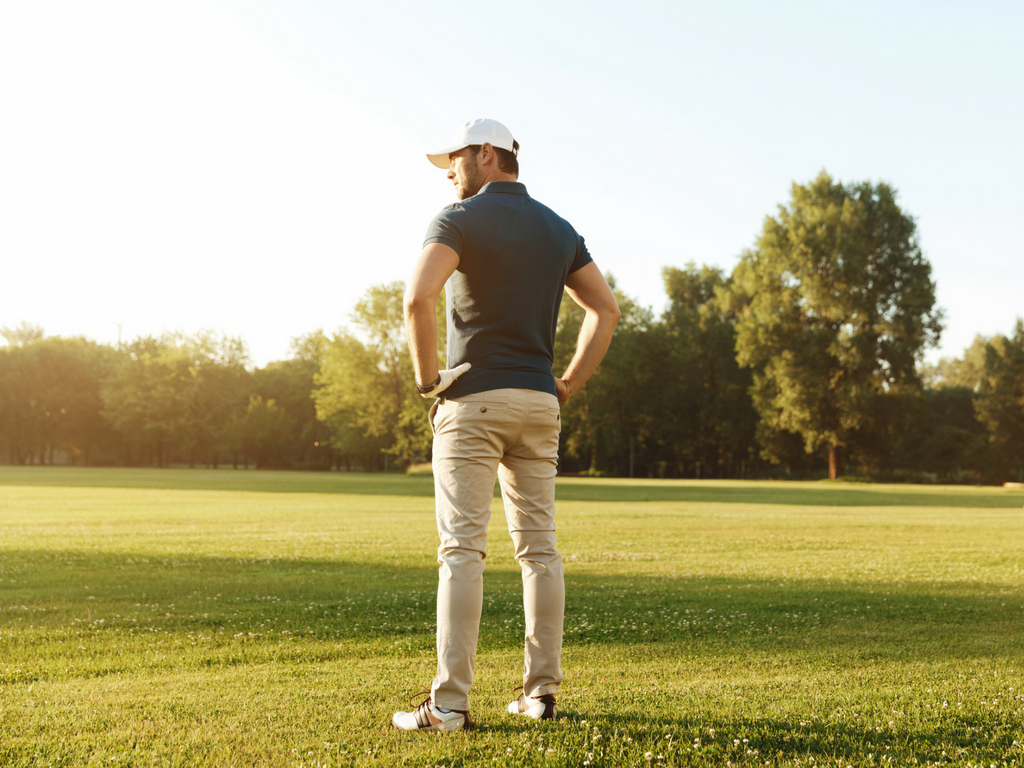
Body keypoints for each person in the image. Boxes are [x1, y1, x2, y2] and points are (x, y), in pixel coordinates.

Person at [392, 118, 620, 732]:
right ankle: (540, 695)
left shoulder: (456, 219)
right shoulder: (560, 228)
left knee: (462, 550)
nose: (449, 173)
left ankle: (448, 707)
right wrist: (567, 383)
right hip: (538, 405)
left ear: (486, 154)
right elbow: (606, 309)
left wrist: (426, 381)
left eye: (455, 160)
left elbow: (417, 297)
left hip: (473, 402)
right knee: (539, 550)